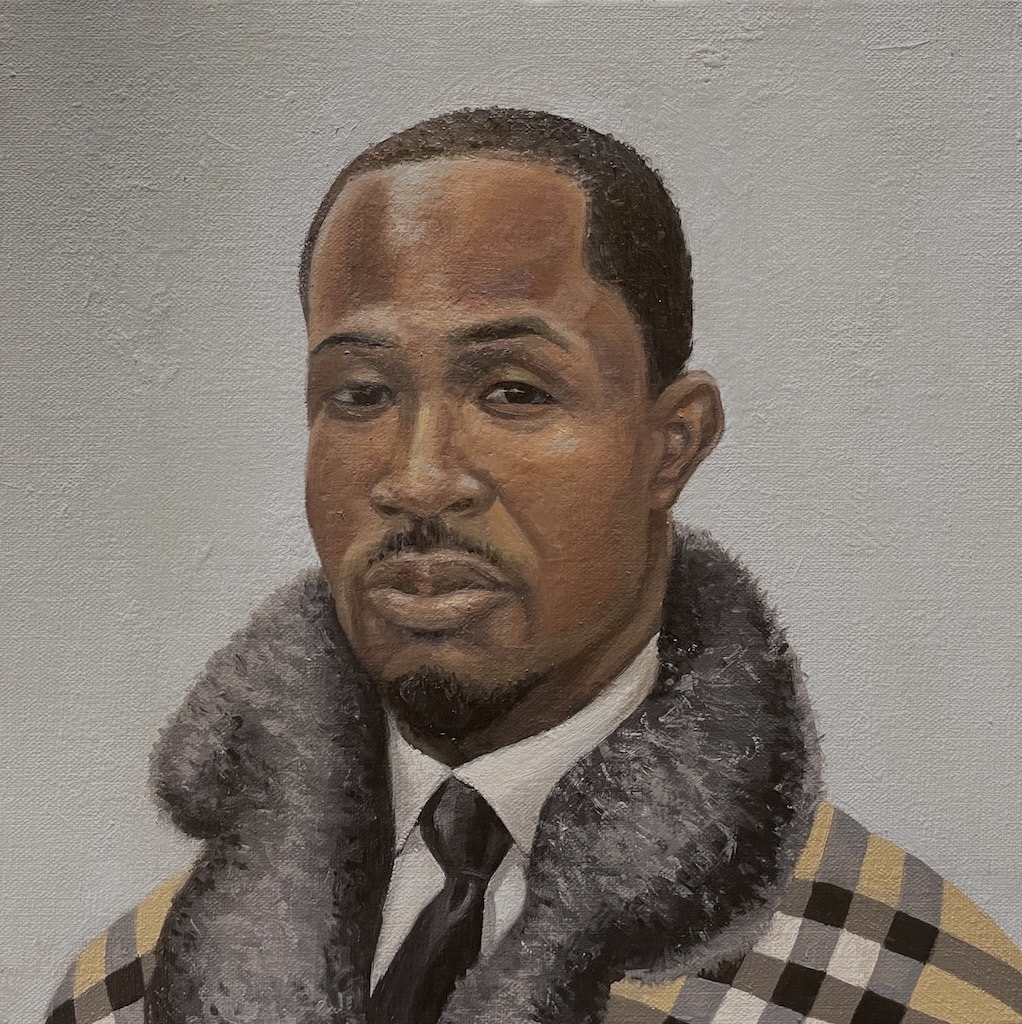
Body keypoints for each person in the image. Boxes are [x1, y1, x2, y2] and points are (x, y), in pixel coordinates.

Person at [46, 108, 1021, 1024]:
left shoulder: (898, 990)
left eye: (513, 391)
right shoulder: (128, 991)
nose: (418, 477)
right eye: (360, 392)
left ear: (671, 444)